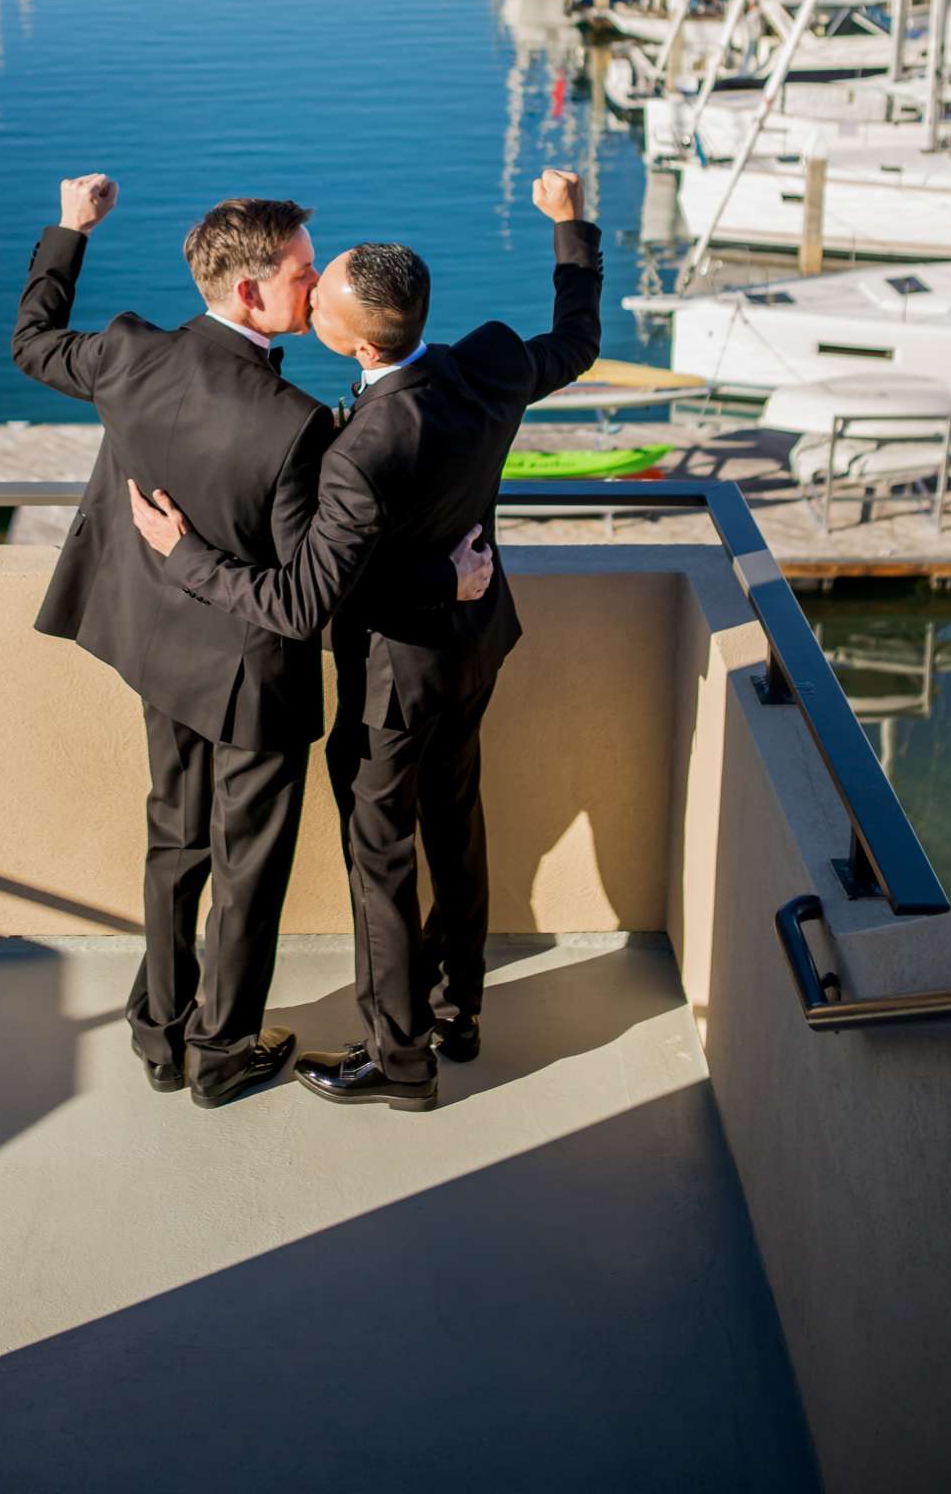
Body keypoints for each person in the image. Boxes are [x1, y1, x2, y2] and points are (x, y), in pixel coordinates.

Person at [130, 165, 601, 1112]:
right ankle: (456, 1006)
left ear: (352, 336)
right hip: (476, 645)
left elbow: (301, 604)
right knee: (456, 820)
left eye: (321, 291)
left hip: (395, 678)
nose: (306, 300)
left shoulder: (357, 453)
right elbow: (578, 343)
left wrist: (182, 558)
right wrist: (570, 225)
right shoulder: (490, 363)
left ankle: (400, 1055)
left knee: (380, 856)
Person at [12, 174, 489, 1110]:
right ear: (250, 293)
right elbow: (317, 594)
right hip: (246, 673)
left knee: (172, 838)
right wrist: (445, 578)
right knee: (247, 868)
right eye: (306, 274)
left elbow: (29, 343)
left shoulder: (125, 350)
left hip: (150, 645)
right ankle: (223, 1049)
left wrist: (70, 229)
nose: (318, 290)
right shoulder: (298, 428)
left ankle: (158, 1031)